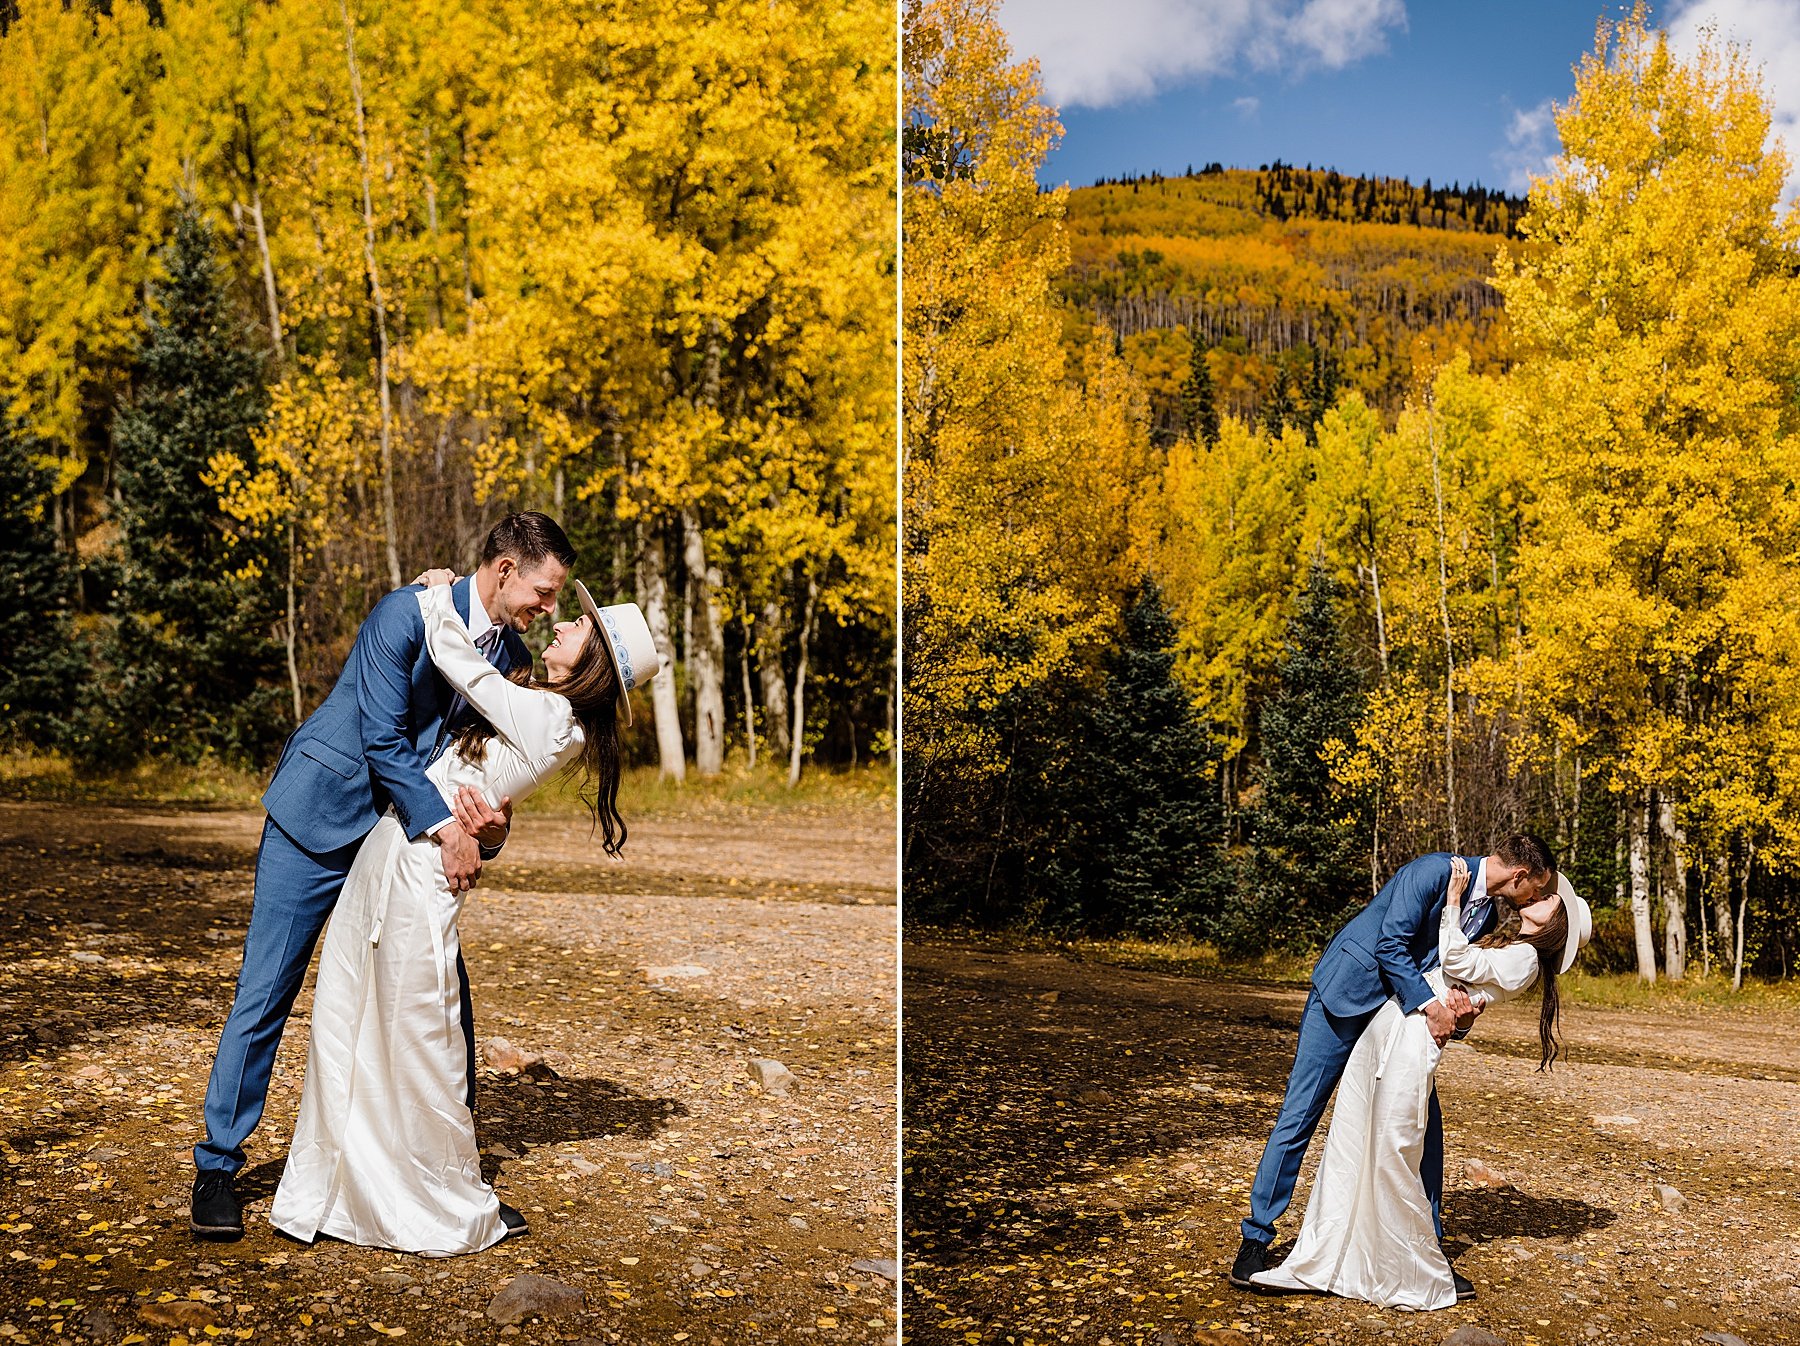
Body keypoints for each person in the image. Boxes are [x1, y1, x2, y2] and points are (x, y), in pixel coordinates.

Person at [191, 513, 575, 1241]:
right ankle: (217, 1166)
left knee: (441, 1000)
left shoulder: (515, 656)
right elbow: (381, 737)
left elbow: (496, 764)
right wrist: (447, 828)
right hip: (320, 817)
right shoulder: (404, 610)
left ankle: (449, 1182)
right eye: (543, 590)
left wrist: (487, 833)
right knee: (266, 990)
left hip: (403, 846)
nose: (547, 608)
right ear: (502, 570)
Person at [268, 571, 662, 1255]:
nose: (562, 624)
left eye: (578, 629)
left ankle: (424, 1196)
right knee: (364, 1019)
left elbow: (458, 663)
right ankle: (348, 1183)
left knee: (417, 1033)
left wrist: (433, 592)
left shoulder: (551, 716)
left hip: (419, 866)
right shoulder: (546, 709)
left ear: (593, 661)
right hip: (397, 850)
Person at [1249, 860, 1592, 1308]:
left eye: (1546, 899)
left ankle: (1417, 1252)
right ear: (1521, 873)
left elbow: (1463, 981)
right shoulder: (1436, 872)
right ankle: (1257, 1238)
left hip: (1404, 1025)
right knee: (1306, 1121)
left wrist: (1459, 1013)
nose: (1536, 898)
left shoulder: (1493, 920)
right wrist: (1439, 1002)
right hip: (1349, 998)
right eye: (1540, 890)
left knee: (1412, 1140)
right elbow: (1392, 945)